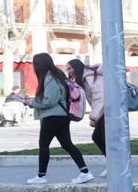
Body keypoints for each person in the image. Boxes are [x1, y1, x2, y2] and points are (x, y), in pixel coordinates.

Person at [24, 52, 93, 185]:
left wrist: (30, 102)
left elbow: (49, 101)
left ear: (39, 65)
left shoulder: (50, 78)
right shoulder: (57, 76)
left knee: (44, 145)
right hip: (61, 117)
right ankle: (85, 172)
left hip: (53, 117)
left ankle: (40, 176)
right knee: (67, 144)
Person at [66, 59, 107, 176]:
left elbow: (100, 97)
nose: (68, 71)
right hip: (104, 111)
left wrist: (94, 117)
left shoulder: (89, 77)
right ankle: (113, 164)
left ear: (77, 67)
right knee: (99, 137)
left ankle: (114, 165)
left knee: (101, 137)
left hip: (106, 110)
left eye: (70, 68)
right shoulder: (84, 78)